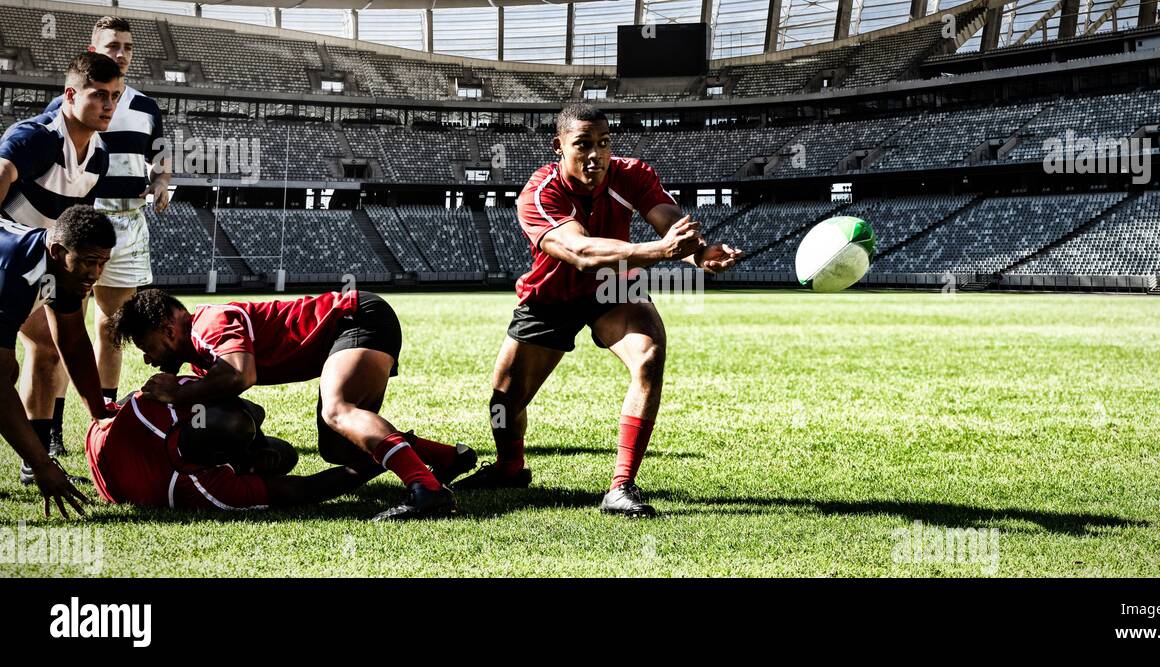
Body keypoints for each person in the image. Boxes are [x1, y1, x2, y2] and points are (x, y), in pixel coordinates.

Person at [454, 103, 743, 517]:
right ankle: (509, 468)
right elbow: (580, 251)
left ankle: (621, 486)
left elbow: (669, 222)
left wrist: (699, 255)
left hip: (613, 288)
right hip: (551, 296)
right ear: (559, 146)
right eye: (583, 145)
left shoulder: (633, 174)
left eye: (604, 143)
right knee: (503, 402)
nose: (596, 155)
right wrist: (659, 251)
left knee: (648, 356)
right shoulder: (540, 192)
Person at [110, 288, 477, 521]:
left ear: (168, 331)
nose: (148, 360)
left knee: (338, 410)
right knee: (338, 447)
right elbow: (240, 411)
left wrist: (178, 393)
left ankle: (427, 491)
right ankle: (447, 457)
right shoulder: (201, 358)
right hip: (348, 330)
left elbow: (241, 375)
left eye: (147, 349)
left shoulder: (209, 323)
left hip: (355, 318)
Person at [45, 16, 170, 446]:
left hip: (129, 219)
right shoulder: (73, 102)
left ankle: (106, 423)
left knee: (111, 328)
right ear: (94, 49)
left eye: (128, 47)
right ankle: (54, 427)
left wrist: (160, 180)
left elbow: (159, 156)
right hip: (83, 219)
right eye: (112, 45)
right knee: (66, 324)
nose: (121, 53)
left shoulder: (145, 106)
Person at [0, 52, 122, 482]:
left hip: (47, 261)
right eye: (99, 95)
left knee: (53, 348)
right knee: (7, 367)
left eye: (115, 96)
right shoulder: (37, 136)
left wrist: (100, 415)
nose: (109, 105)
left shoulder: (100, 155)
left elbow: (76, 226)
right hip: (13, 259)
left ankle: (35, 459)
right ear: (70, 94)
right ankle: (38, 460)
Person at [0, 206, 119, 517]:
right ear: (57, 251)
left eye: (102, 263)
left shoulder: (61, 270)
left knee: (8, 369)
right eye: (89, 262)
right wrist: (42, 464)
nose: (95, 274)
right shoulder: (13, 271)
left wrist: (99, 414)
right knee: (5, 371)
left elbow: (73, 342)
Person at [88, 387, 380, 512]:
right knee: (284, 458)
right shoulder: (203, 488)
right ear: (222, 463)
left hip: (108, 439)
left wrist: (255, 440)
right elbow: (303, 490)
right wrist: (380, 459)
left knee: (283, 454)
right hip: (119, 470)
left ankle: (253, 450)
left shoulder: (157, 406)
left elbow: (251, 409)